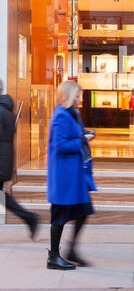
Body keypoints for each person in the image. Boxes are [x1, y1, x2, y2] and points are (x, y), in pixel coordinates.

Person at [47, 80, 96, 270]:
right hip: (64, 177)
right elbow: (59, 146)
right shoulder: (60, 116)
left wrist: (86, 134)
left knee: (84, 211)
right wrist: (82, 140)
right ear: (68, 96)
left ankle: (72, 249)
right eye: (77, 95)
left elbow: (79, 134)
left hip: (75, 176)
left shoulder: (73, 113)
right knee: (59, 216)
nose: (80, 98)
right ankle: (53, 256)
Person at [0, 79, 39, 238]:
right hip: (4, 160)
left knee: (4, 198)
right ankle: (29, 218)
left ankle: (29, 218)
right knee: (3, 198)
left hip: (1, 161)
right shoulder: (7, 110)